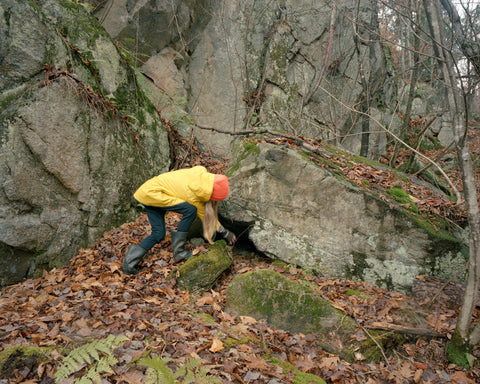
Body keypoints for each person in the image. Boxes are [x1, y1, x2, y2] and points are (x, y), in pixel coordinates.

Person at [122, 166, 236, 275]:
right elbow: (205, 216)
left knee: (158, 234)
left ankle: (129, 263)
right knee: (191, 209)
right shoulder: (193, 194)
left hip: (148, 192)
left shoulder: (200, 176)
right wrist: (225, 232)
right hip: (153, 194)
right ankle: (179, 252)